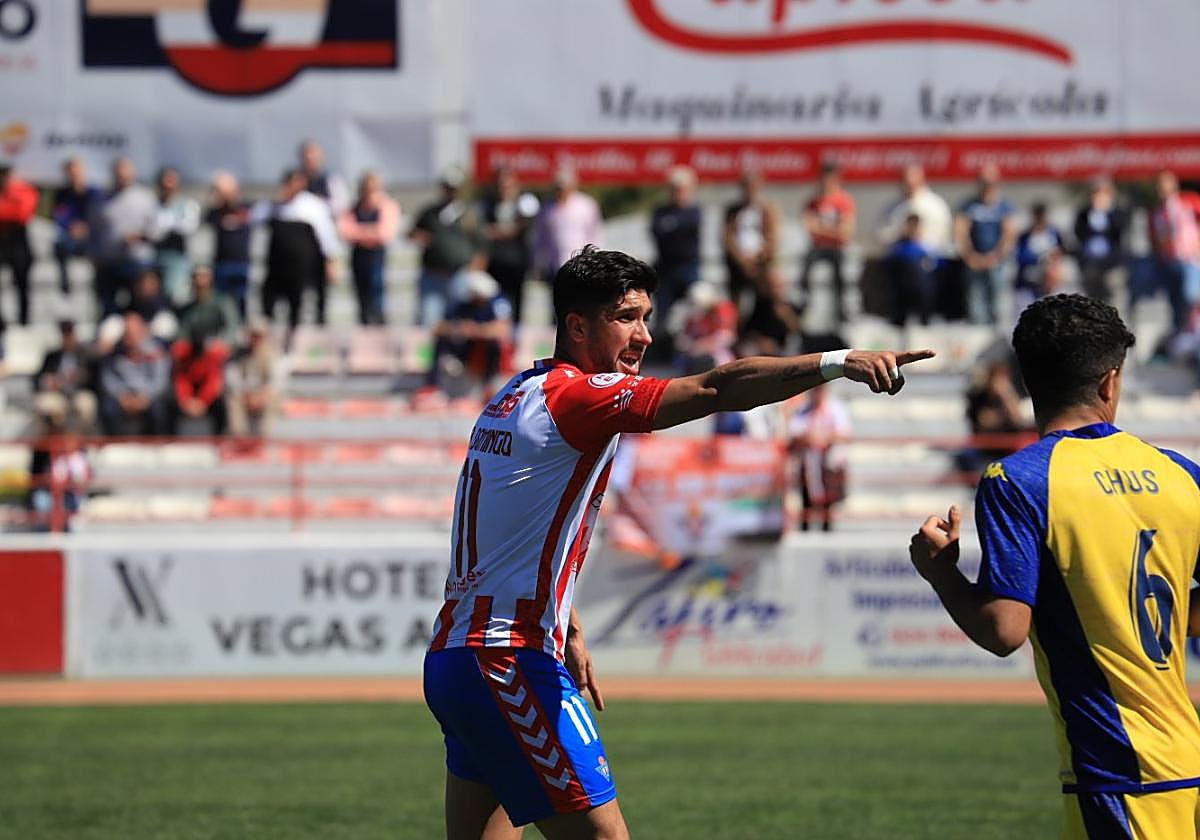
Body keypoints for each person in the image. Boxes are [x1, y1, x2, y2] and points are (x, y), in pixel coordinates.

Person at [423, 245, 933, 839]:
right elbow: (716, 388)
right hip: (507, 659)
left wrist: (567, 624)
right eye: (625, 317)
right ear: (577, 326)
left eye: (646, 317)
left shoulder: (516, 393)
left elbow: (509, 534)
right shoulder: (579, 398)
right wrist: (839, 362)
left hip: (458, 659)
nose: (643, 335)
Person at [910, 293, 1200, 840]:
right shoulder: (1181, 474)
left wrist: (940, 572)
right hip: (1189, 761)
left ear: (1028, 381)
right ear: (1110, 382)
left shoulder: (1019, 480)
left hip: (1117, 773)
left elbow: (1004, 631)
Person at [256, 169, 342, 333]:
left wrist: (330, 261)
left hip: (301, 267)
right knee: (268, 302)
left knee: (298, 305)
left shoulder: (312, 205)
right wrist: (277, 201)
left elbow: (326, 236)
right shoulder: (274, 205)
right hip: (276, 266)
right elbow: (255, 218)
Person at [88, 158, 158, 319]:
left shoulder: (145, 198)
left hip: (138, 264)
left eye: (125, 175)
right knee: (108, 310)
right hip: (109, 263)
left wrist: (139, 236)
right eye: (119, 175)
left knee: (140, 310)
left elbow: (155, 231)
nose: (122, 178)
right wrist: (94, 256)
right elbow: (93, 232)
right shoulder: (100, 201)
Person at [423, 270, 513, 395]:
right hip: (465, 348)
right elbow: (438, 328)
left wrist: (476, 330)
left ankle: (488, 385)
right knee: (441, 342)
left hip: (485, 351)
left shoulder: (496, 303)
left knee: (494, 345)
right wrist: (458, 328)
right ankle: (432, 386)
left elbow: (502, 329)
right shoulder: (463, 305)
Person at [411, 167, 480, 326]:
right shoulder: (430, 213)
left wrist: (475, 270)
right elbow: (413, 233)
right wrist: (419, 236)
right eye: (448, 188)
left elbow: (480, 243)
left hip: (458, 276)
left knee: (459, 323)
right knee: (428, 320)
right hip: (433, 276)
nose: (451, 192)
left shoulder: (469, 214)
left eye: (454, 189)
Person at [955, 163, 1016, 325]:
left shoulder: (1004, 206)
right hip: (973, 261)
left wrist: (996, 256)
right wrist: (970, 256)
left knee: (998, 301)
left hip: (997, 261)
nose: (987, 185)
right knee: (975, 302)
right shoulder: (968, 206)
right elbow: (960, 232)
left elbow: (1009, 233)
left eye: (990, 181)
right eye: (983, 181)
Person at [339, 170, 401, 325]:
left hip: (376, 256)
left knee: (376, 292)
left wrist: (360, 232)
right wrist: (370, 231)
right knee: (362, 295)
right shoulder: (354, 208)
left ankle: (379, 323)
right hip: (359, 255)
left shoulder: (386, 206)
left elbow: (384, 233)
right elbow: (345, 231)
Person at [480, 166, 539, 327]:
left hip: (516, 264)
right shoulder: (489, 205)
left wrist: (501, 231)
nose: (504, 188)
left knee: (515, 307)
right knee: (494, 306)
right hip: (494, 264)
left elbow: (521, 228)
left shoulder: (524, 204)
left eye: (507, 184)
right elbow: (483, 230)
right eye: (500, 184)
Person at [788, 385, 851, 531]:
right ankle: (806, 527)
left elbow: (843, 433)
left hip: (829, 463)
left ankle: (827, 527)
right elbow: (794, 434)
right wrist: (811, 438)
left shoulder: (837, 408)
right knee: (806, 497)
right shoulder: (802, 410)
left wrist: (823, 438)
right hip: (808, 462)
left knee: (829, 499)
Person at [98, 310, 172, 436]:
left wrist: (145, 397)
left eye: (133, 333)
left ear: (142, 331)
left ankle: (157, 444)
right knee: (108, 408)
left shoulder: (155, 352)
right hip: (123, 396)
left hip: (147, 396)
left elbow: (160, 380)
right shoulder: (114, 353)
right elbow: (108, 379)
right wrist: (122, 396)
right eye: (126, 333)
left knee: (159, 409)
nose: (130, 337)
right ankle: (116, 444)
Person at [649, 166, 702, 339]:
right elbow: (658, 231)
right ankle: (662, 343)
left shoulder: (694, 212)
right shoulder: (660, 212)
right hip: (666, 268)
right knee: (662, 311)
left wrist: (672, 226)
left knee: (696, 305)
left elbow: (686, 230)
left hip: (688, 266)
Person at [800, 162, 856, 325]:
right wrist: (832, 230)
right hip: (818, 248)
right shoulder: (812, 202)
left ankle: (842, 309)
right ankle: (805, 303)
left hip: (837, 249)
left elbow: (845, 232)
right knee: (805, 268)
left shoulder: (844, 201)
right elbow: (809, 228)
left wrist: (821, 229)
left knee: (841, 271)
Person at [1147, 170, 1200, 334]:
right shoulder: (1156, 211)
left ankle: (1193, 331)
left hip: (1190, 259)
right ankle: (1181, 335)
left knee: (1190, 296)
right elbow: (1153, 238)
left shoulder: (1189, 201)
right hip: (1168, 261)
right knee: (1175, 303)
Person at [722, 168, 779, 319]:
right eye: (746, 186)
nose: (750, 189)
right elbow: (727, 238)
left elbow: (772, 238)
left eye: (753, 185)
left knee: (764, 300)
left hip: (760, 264)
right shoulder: (733, 211)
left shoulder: (767, 209)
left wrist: (757, 256)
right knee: (735, 304)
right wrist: (740, 258)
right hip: (737, 264)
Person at [532, 166, 603, 280]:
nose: (561, 191)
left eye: (564, 187)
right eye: (558, 187)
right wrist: (538, 262)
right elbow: (541, 238)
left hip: (582, 265)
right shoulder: (547, 208)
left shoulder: (586, 205)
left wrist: (595, 260)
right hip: (554, 266)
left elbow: (595, 234)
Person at [34, 319, 98, 433]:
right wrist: (48, 382)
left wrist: (76, 378)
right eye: (64, 334)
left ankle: (77, 437)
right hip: (58, 395)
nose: (67, 338)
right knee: (43, 404)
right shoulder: (52, 356)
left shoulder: (86, 355)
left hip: (78, 393)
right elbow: (38, 378)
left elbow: (93, 378)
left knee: (85, 404)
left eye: (70, 334)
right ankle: (53, 437)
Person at [204, 171, 253, 319]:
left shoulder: (247, 208)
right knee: (221, 301)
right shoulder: (215, 212)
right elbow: (206, 219)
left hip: (241, 263)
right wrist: (216, 197)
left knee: (241, 299)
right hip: (221, 263)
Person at [226, 319, 286, 437]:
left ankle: (265, 439)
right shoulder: (237, 354)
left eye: (259, 335)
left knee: (274, 400)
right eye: (253, 335)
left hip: (265, 394)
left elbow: (277, 380)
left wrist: (262, 395)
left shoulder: (273, 354)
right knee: (233, 400)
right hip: (244, 394)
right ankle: (239, 438)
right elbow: (232, 379)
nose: (256, 339)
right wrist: (247, 395)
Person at [1073, 176, 1128, 305]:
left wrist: (1107, 211)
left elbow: (1120, 230)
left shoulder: (1117, 212)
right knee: (1092, 302)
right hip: (1091, 264)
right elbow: (1079, 233)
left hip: (1112, 265)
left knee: (1113, 301)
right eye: (1095, 193)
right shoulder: (1084, 214)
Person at [50, 157, 101, 296]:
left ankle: (98, 283)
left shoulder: (94, 193)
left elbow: (98, 216)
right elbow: (59, 215)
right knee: (59, 243)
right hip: (70, 235)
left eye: (76, 172)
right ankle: (64, 282)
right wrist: (70, 227)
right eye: (70, 173)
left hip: (91, 235)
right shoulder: (62, 194)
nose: (74, 176)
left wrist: (87, 227)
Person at [152, 166, 200, 305]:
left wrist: (168, 223)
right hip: (155, 259)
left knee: (174, 296)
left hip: (177, 260)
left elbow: (188, 227)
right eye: (165, 182)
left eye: (172, 181)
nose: (168, 186)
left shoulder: (187, 204)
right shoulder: (152, 204)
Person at [170, 327, 229, 436]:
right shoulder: (183, 355)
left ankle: (220, 436)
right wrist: (185, 401)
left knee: (221, 403)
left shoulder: (212, 355)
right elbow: (181, 380)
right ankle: (170, 437)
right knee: (169, 402)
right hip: (189, 396)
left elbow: (213, 381)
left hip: (205, 396)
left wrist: (203, 401)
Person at [0, 162, 37, 328]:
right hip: (3, 242)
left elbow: (22, 214)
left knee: (22, 283)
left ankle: (24, 320)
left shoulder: (24, 191)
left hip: (18, 243)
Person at [885, 214, 938, 327]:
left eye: (915, 226)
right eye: (910, 226)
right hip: (903, 290)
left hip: (922, 291)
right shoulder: (899, 246)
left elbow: (935, 265)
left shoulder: (927, 246)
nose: (913, 229)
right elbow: (889, 263)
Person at [1014, 202, 1065, 312]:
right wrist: (1041, 259)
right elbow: (1020, 257)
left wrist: (1053, 265)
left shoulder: (1053, 233)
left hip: (1049, 283)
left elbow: (1060, 252)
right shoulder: (1025, 236)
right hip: (1029, 281)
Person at [297, 139, 349, 219]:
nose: (310, 159)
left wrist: (317, 202)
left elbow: (342, 205)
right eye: (307, 158)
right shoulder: (296, 180)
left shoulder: (332, 179)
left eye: (314, 156)